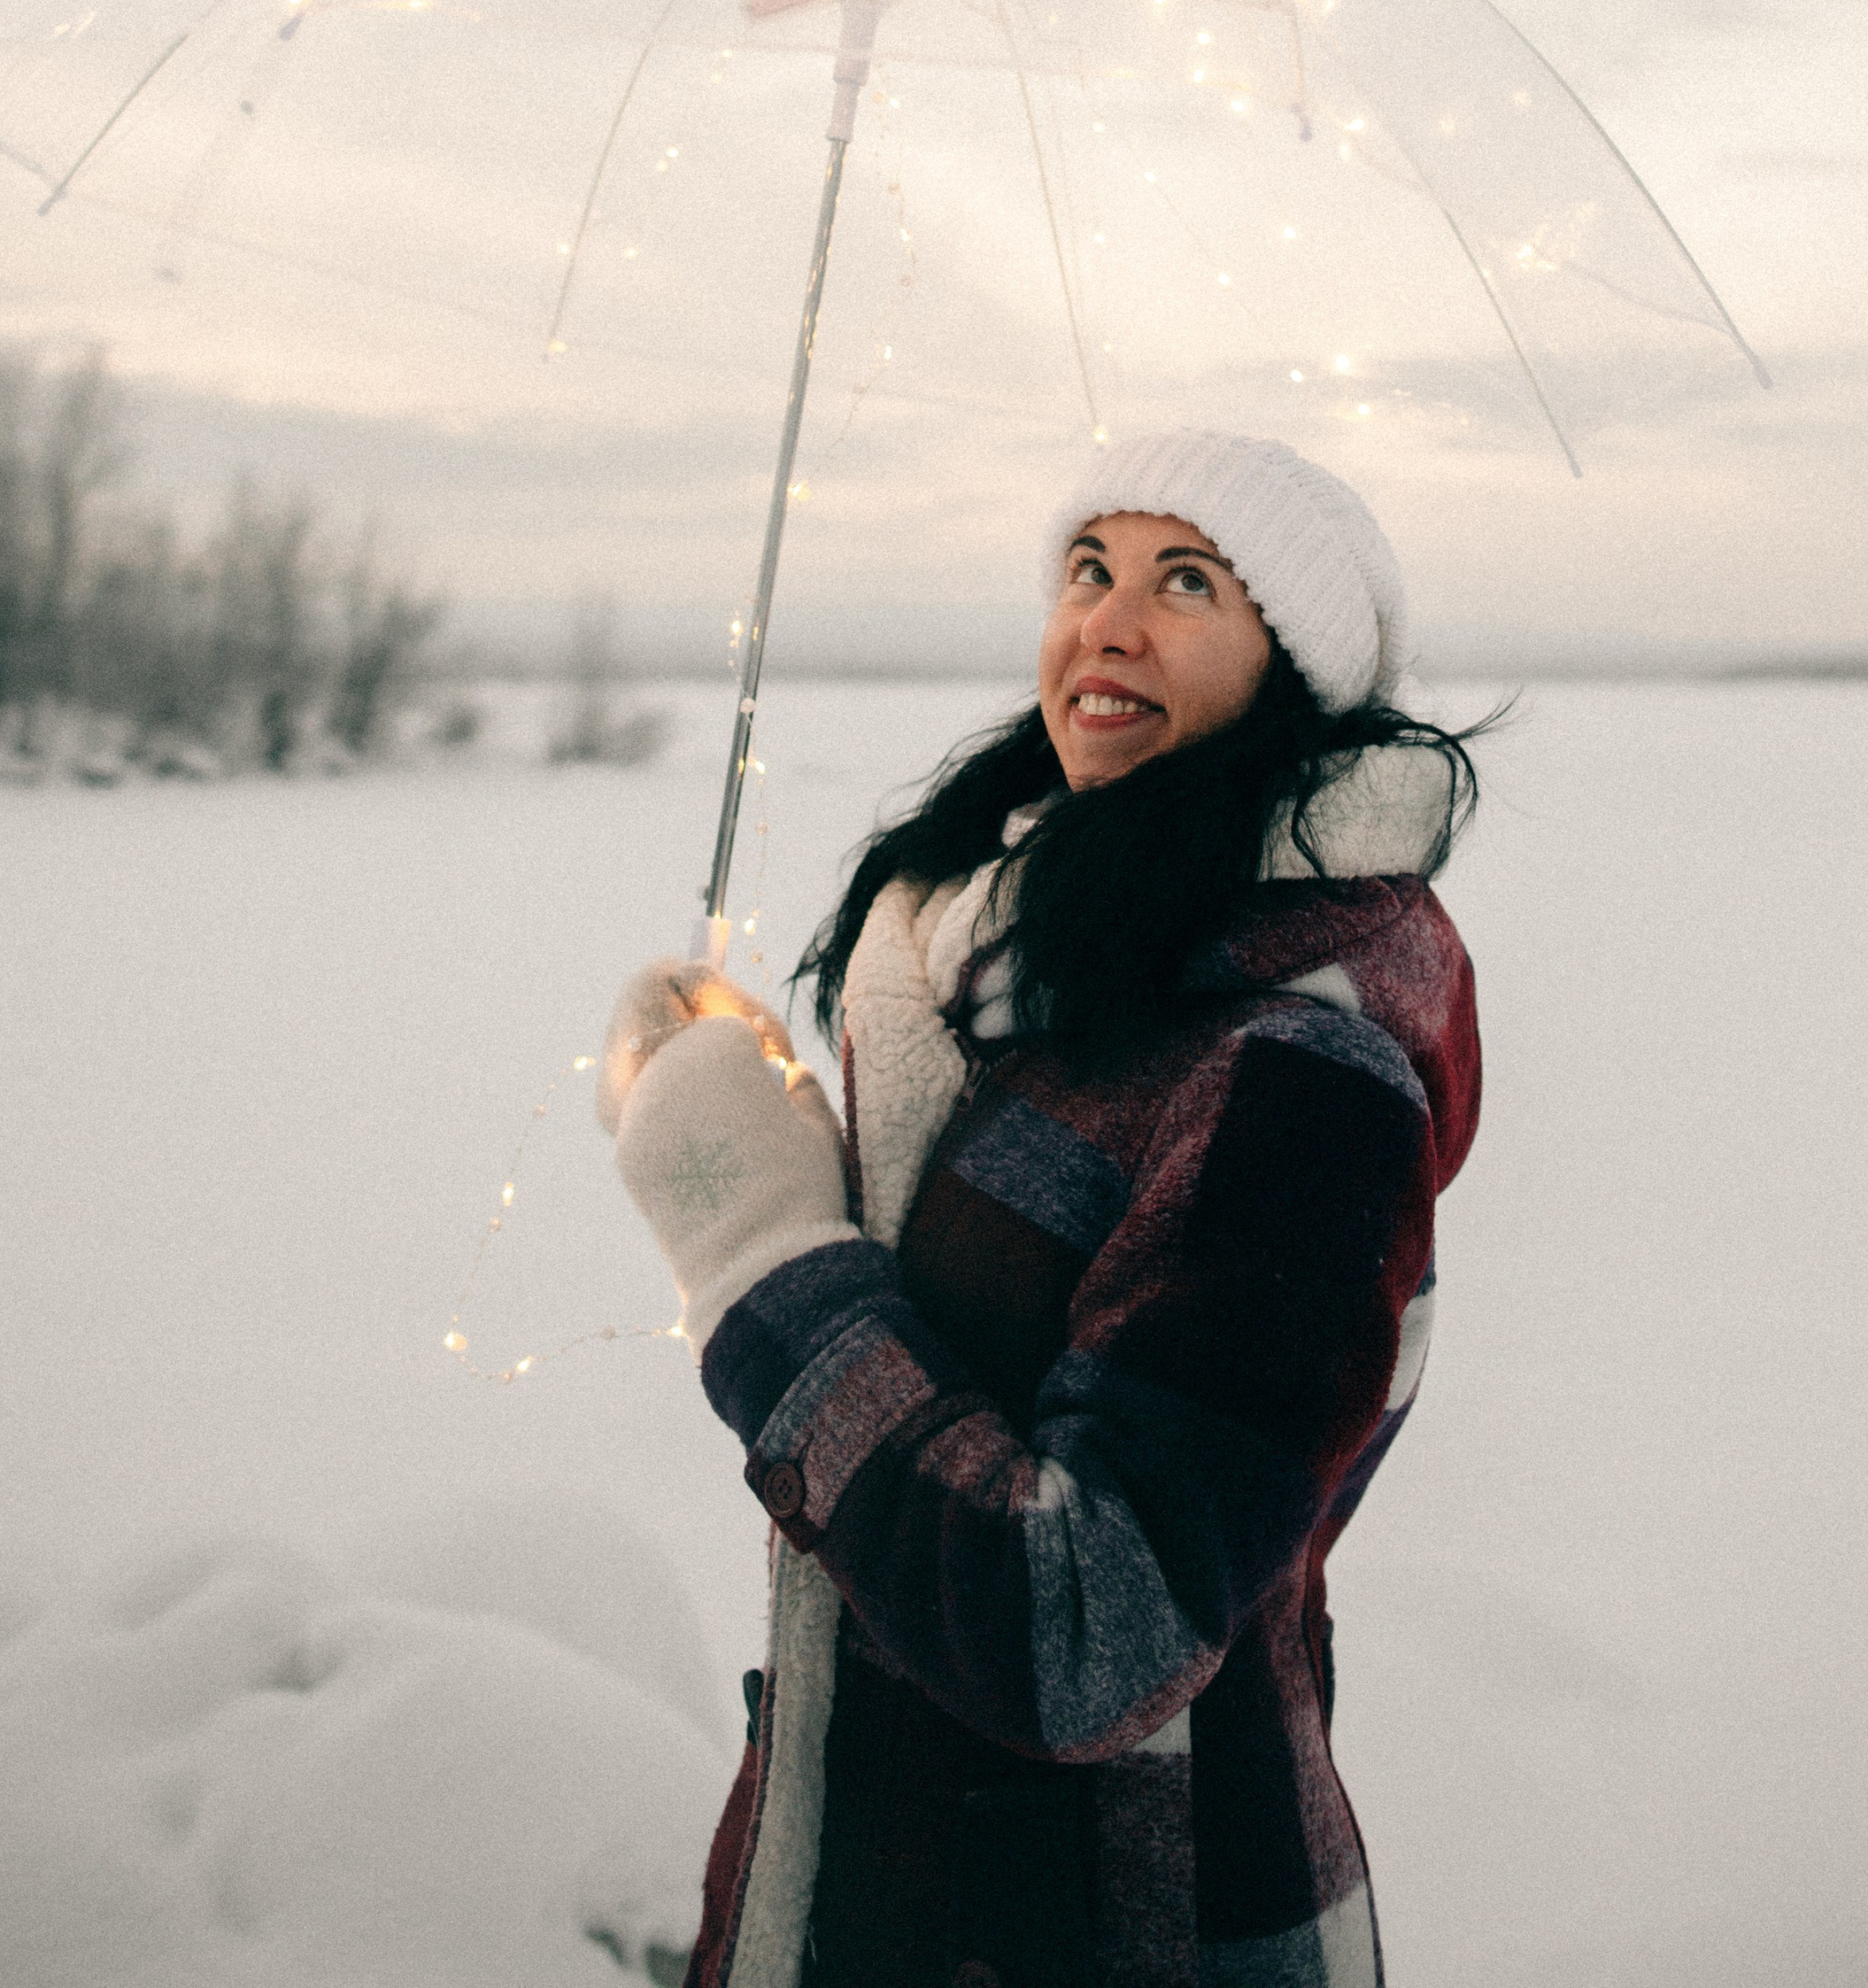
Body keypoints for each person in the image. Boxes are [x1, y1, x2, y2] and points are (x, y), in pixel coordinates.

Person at [596, 428, 1484, 1988]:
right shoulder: (1028, 968)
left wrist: (752, 1236)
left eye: (1187, 584)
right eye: (1089, 569)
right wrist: (736, 1108)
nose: (1108, 625)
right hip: (889, 1866)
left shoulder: (1299, 1076)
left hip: (1129, 1918)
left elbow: (1088, 1637)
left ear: (1295, 674)